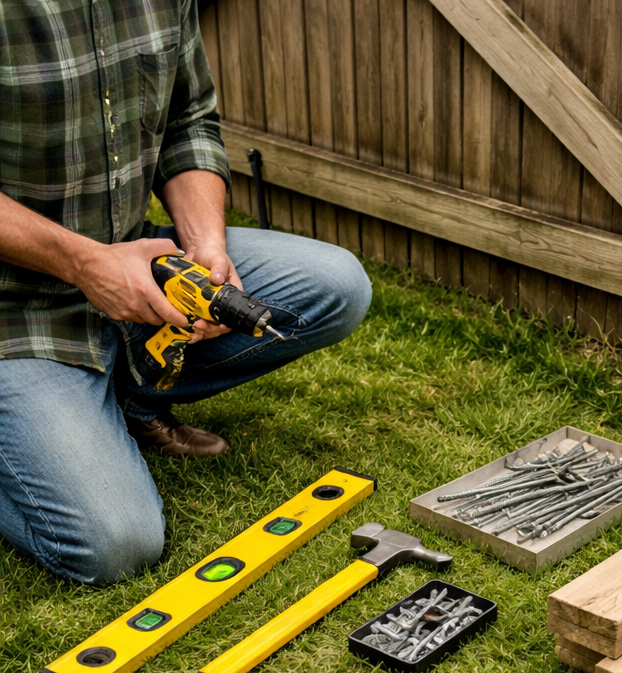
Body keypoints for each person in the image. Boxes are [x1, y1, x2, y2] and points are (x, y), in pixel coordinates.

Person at [0, 0, 372, 585]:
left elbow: (188, 121)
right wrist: (85, 263)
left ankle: (124, 397)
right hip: (16, 309)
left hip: (130, 257)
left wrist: (206, 246)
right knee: (114, 544)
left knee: (335, 286)